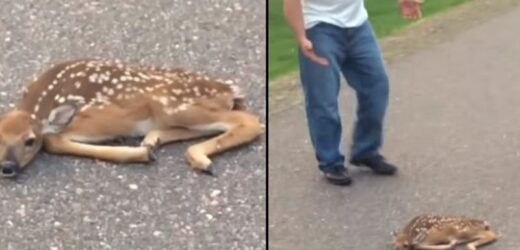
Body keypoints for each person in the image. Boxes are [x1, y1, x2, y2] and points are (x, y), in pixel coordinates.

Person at [283, 0, 423, 185]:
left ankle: (365, 151)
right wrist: (301, 37)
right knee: (323, 99)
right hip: (318, 28)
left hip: (358, 26)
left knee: (377, 87)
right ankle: (330, 162)